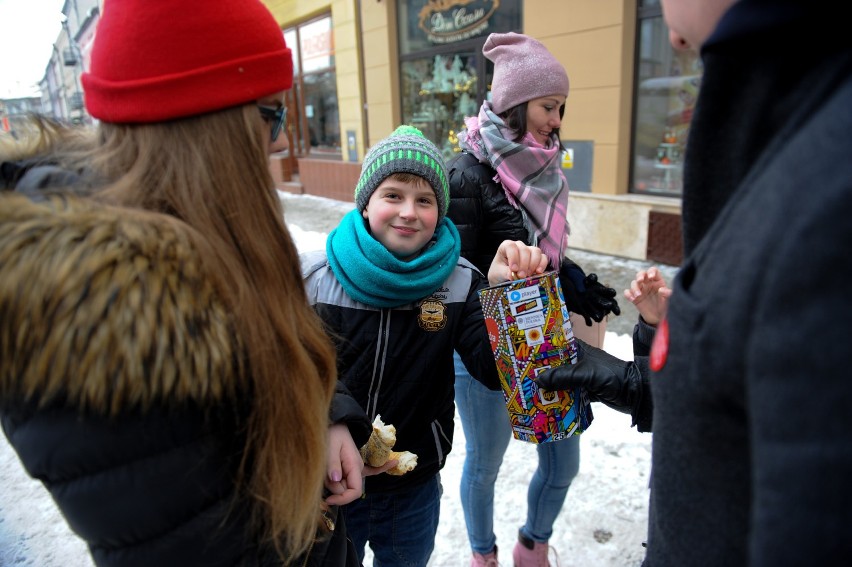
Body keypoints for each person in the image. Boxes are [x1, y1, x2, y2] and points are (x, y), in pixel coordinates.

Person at [0, 0, 377, 565]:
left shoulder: (197, 243)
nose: (279, 143)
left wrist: (326, 416)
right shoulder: (112, 322)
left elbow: (274, 350)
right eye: (271, 115)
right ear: (207, 131)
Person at [535, 0, 852, 564]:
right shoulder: (788, 119)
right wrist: (650, 350)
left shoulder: (825, 174)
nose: (667, 24)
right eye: (547, 106)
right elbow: (730, 397)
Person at [300, 124, 550, 567]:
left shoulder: (459, 282)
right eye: (392, 195)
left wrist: (504, 300)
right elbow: (288, 373)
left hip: (412, 488)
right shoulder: (316, 279)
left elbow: (495, 372)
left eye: (425, 200)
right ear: (366, 203)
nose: (409, 212)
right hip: (330, 481)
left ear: (441, 211)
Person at [445, 31, 621, 566]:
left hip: (545, 337)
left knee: (564, 461)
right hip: (482, 346)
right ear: (516, 104)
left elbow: (544, 250)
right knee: (485, 464)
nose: (558, 119)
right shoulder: (466, 174)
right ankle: (483, 554)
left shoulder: (546, 168)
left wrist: (572, 279)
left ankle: (532, 543)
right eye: (549, 106)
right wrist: (502, 293)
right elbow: (453, 275)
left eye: (561, 107)